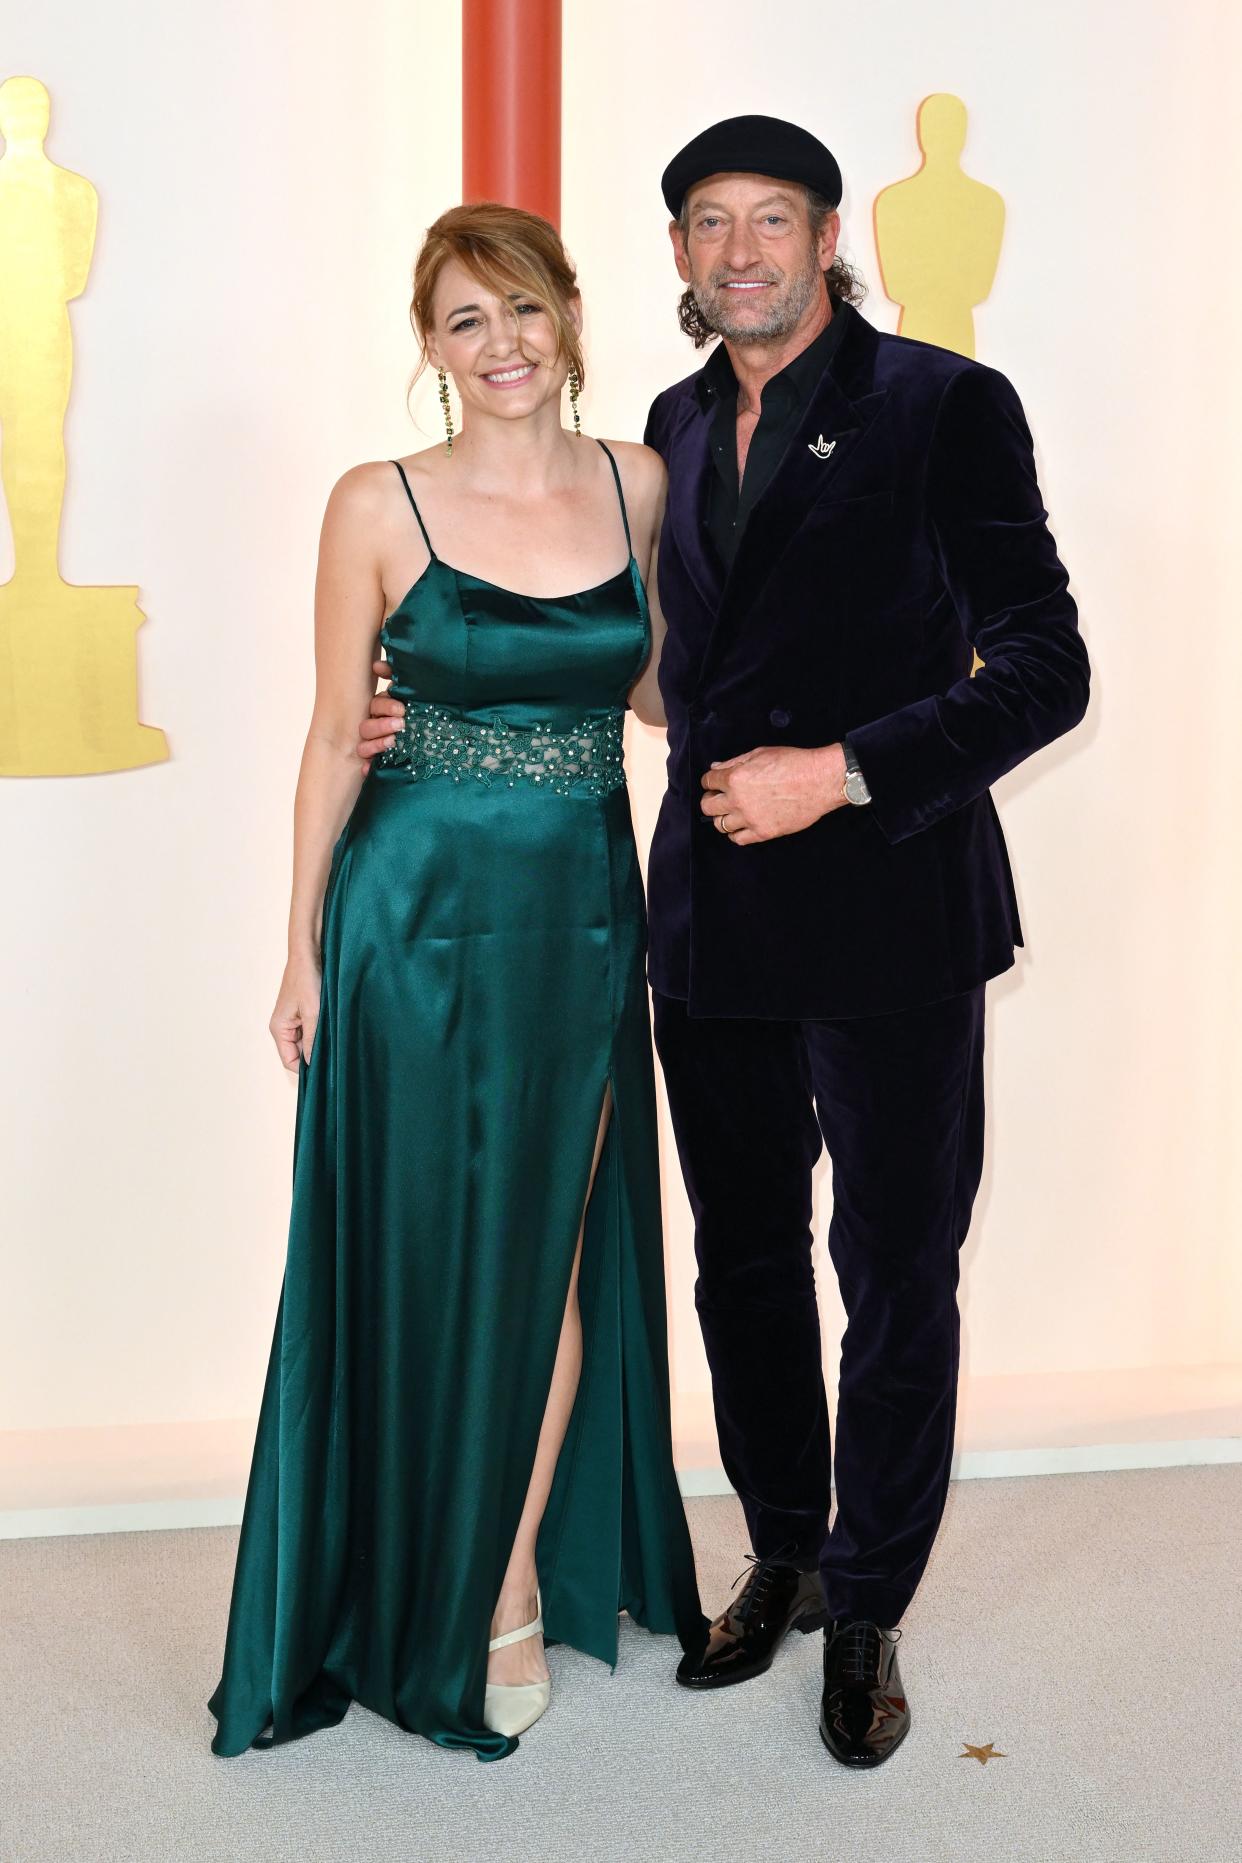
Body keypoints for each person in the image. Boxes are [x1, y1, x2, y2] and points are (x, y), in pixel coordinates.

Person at [361, 117, 1090, 1769]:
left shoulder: (941, 407)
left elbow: (1044, 663)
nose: (741, 249)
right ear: (677, 256)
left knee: (894, 1272)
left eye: (773, 220)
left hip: (892, 907)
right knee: (743, 1261)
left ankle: (873, 1597)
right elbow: (642, 657)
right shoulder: (668, 432)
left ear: (830, 238)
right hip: (707, 924)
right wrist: (432, 709)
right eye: (708, 223)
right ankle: (781, 1551)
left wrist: (841, 773)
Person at [208, 201, 705, 1765]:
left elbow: (646, 687)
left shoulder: (636, 480)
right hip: (408, 911)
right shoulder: (375, 503)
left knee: (547, 1253)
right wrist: (295, 941)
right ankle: (392, 1568)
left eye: (520, 312)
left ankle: (494, 1577)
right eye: (461, 323)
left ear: (568, 313)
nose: (498, 347)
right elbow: (323, 728)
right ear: (428, 347)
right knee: (413, 1242)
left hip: (574, 910)